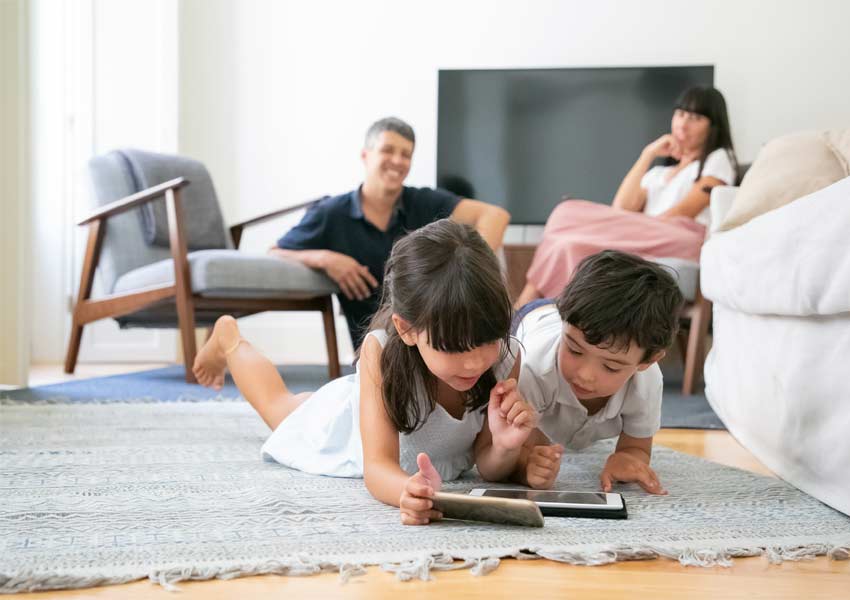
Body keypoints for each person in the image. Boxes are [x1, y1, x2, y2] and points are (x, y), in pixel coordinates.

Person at [193, 219, 537, 525]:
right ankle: (228, 338)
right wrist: (407, 489)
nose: (476, 362)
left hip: (376, 405)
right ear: (407, 330)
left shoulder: (505, 358)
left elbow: (486, 463)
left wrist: (506, 448)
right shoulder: (382, 350)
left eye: (488, 339)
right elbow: (377, 469)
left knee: (293, 402)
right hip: (346, 425)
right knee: (279, 406)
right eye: (454, 347)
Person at [270, 117, 510, 349]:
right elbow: (275, 253)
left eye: (406, 154)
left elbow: (496, 216)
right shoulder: (330, 214)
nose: (397, 160)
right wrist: (325, 259)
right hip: (373, 348)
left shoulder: (423, 202)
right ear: (365, 155)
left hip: (433, 342)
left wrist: (468, 269)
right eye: (388, 150)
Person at [515, 86, 737, 308]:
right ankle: (533, 316)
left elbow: (684, 212)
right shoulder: (657, 174)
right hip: (643, 236)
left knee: (567, 211)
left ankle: (519, 312)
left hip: (682, 237)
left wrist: (637, 225)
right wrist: (647, 155)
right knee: (566, 245)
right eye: (680, 114)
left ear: (713, 126)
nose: (683, 124)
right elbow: (621, 208)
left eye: (695, 117)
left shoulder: (718, 159)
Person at [514, 250, 684, 494]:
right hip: (534, 319)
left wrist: (627, 457)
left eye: (611, 366)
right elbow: (519, 445)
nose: (585, 374)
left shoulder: (646, 382)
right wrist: (527, 462)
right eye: (573, 350)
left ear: (647, 361)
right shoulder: (533, 366)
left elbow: (637, 447)